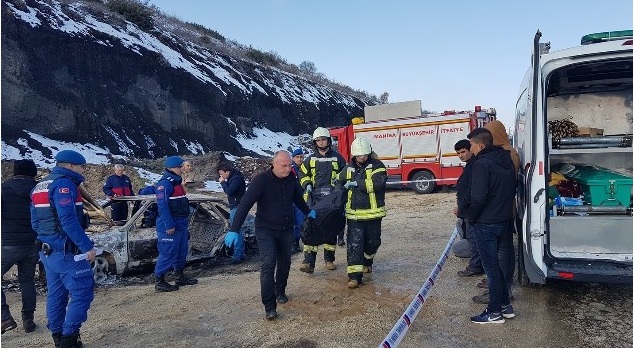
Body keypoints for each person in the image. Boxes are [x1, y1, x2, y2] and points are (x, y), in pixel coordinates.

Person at [224, 151, 315, 320]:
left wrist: (308, 212)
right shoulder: (260, 181)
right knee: (268, 264)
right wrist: (234, 229)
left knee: (285, 263)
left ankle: (280, 290)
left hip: (286, 229)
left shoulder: (291, 180)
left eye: (289, 165)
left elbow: (297, 199)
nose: (288, 169)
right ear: (273, 164)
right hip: (266, 229)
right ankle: (269, 306)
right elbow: (244, 205)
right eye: (284, 166)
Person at [30, 150, 96, 347]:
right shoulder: (65, 184)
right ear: (70, 166)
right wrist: (87, 246)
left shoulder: (39, 186)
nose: (83, 170)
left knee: (56, 295)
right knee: (82, 292)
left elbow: (34, 221)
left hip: (48, 250)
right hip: (68, 252)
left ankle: (58, 337)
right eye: (82, 167)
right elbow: (68, 220)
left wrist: (45, 238)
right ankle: (69, 338)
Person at [466, 128, 517, 324]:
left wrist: (472, 217)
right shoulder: (506, 159)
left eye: (471, 145)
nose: (470, 148)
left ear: (480, 145)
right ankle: (505, 306)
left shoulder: (482, 164)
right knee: (497, 268)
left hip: (486, 223)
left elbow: (478, 197)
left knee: (492, 269)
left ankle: (494, 312)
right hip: (504, 220)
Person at [337, 138, 387, 289]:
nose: (362, 158)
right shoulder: (348, 168)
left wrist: (357, 183)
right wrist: (340, 187)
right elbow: (338, 181)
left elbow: (377, 183)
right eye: (359, 156)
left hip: (373, 214)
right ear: (354, 155)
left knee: (373, 242)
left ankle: (367, 261)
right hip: (354, 215)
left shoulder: (378, 166)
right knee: (354, 245)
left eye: (364, 155)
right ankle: (354, 277)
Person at [298, 127, 346, 273]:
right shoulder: (310, 159)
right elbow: (303, 174)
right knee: (311, 228)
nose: (321, 142)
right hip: (314, 199)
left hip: (332, 199)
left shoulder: (338, 158)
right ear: (315, 142)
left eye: (323, 139)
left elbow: (344, 175)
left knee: (330, 227)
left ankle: (329, 259)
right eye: (318, 140)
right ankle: (308, 262)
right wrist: (307, 184)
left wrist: (339, 186)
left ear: (328, 141)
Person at [2, 159, 39, 334]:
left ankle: (4, 317)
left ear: (15, 172)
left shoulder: (3, 189)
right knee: (27, 281)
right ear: (34, 173)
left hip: (8, 243)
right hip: (33, 243)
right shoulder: (38, 190)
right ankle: (28, 320)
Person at [154, 156, 198, 292]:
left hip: (181, 223)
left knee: (181, 251)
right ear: (172, 168)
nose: (183, 169)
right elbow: (162, 206)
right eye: (181, 167)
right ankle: (159, 281)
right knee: (168, 253)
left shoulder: (177, 183)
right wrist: (169, 225)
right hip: (171, 224)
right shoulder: (165, 184)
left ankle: (179, 276)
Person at [453, 139, 484, 277]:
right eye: (458, 153)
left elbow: (472, 193)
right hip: (466, 211)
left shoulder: (475, 166)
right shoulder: (469, 166)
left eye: (463, 152)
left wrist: (464, 209)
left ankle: (476, 266)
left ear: (470, 149)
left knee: (474, 241)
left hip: (471, 212)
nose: (461, 155)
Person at [217, 162, 246, 263]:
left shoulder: (236, 178)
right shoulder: (234, 177)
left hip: (237, 206)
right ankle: (241, 254)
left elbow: (230, 191)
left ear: (227, 171)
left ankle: (237, 256)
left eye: (222, 174)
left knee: (235, 230)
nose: (221, 176)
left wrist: (223, 182)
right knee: (238, 231)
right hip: (237, 206)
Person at [290, 148, 305, 253]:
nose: (299, 159)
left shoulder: (306, 169)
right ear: (293, 158)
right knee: (292, 223)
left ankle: (303, 242)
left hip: (302, 200)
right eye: (297, 157)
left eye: (301, 157)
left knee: (301, 223)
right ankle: (294, 244)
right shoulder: (289, 170)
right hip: (291, 200)